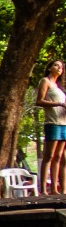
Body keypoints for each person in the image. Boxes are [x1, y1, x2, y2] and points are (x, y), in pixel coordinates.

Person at [36, 58, 66, 194]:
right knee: (49, 155)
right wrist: (58, 104)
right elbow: (39, 101)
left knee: (59, 157)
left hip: (63, 123)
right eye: (56, 65)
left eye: (61, 66)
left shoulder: (59, 87)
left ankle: (56, 188)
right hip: (52, 123)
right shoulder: (45, 81)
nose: (59, 68)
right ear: (50, 68)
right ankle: (43, 189)